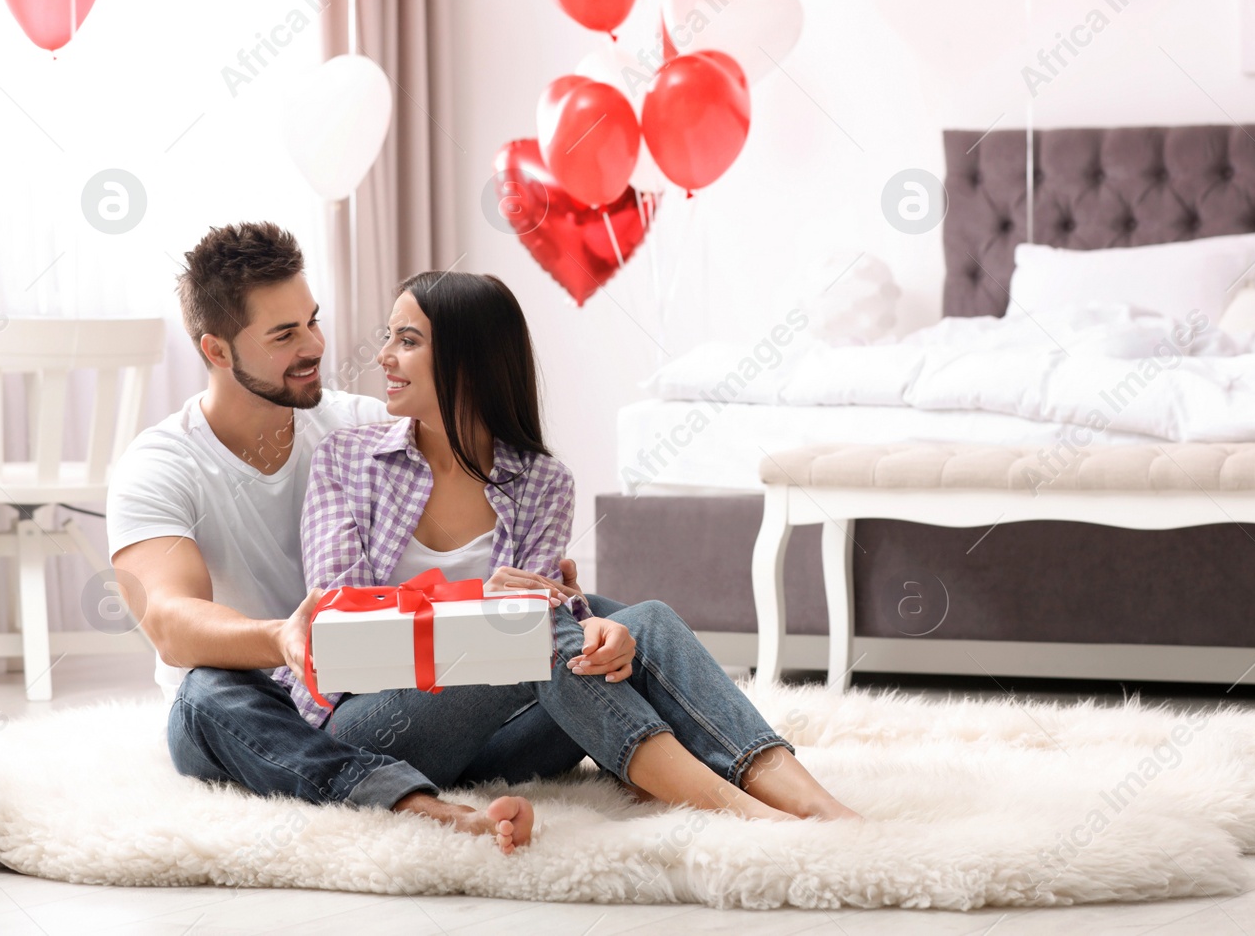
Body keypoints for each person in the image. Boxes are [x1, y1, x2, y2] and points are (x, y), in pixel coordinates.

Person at [107, 223, 626, 854]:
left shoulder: (361, 426)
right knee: (206, 691)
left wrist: (546, 588)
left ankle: (702, 765)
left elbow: (471, 446)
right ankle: (417, 803)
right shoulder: (161, 463)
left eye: (312, 321)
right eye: (284, 335)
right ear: (217, 351)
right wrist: (281, 638)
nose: (314, 346)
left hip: (382, 697)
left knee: (610, 621)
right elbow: (168, 620)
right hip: (260, 705)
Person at [291, 270, 860, 823]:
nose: (383, 355)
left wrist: (590, 627)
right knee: (525, 627)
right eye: (391, 337)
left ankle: (817, 806)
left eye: (407, 340)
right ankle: (743, 811)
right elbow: (340, 625)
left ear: (470, 359)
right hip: (371, 733)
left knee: (640, 624)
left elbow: (545, 624)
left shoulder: (542, 481)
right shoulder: (346, 462)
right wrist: (473, 605)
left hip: (499, 746)